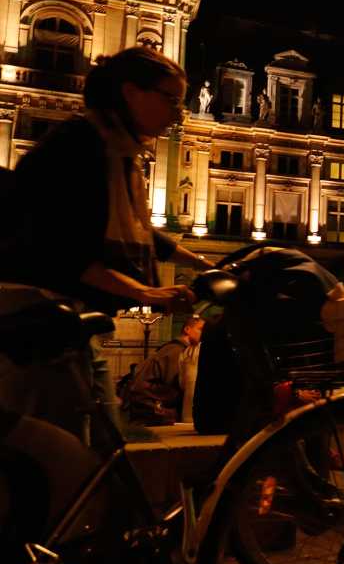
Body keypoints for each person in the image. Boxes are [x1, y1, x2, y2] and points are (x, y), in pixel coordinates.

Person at [0, 46, 212, 440]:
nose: (178, 112)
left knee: (104, 446)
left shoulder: (117, 150)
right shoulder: (82, 145)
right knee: (56, 449)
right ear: (131, 93)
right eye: (170, 99)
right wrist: (145, 291)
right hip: (34, 317)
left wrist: (200, 262)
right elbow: (59, 249)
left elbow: (140, 234)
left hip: (66, 319)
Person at [126, 315, 204, 425]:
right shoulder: (176, 351)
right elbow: (178, 384)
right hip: (150, 406)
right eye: (200, 329)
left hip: (149, 402)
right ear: (187, 329)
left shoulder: (177, 349)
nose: (204, 334)